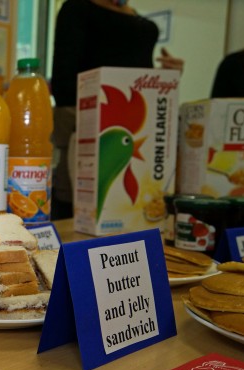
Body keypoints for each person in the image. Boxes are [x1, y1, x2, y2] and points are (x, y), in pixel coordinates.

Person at [50, 0, 184, 220]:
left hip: (138, 122)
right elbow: (64, 83)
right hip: (92, 122)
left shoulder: (133, 16)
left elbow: (138, 76)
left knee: (134, 201)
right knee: (84, 206)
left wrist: (163, 80)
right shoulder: (77, 9)